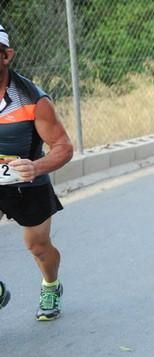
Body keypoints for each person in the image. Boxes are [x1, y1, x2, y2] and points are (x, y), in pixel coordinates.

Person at [0, 24, 74, 320]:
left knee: (38, 246)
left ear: (7, 56)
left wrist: (36, 166)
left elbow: (63, 147)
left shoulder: (33, 99)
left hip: (26, 183)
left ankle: (51, 284)